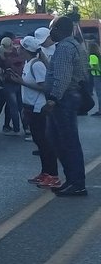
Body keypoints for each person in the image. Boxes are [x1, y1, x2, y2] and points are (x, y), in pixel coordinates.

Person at [43, 17, 90, 197]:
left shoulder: (64, 48)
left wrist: (53, 99)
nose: (50, 32)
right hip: (69, 97)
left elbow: (62, 77)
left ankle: (76, 183)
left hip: (64, 99)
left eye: (52, 28)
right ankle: (73, 180)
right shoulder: (75, 45)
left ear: (60, 29)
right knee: (59, 139)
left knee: (67, 142)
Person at [18, 36, 59, 189]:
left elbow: (44, 87)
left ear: (26, 49)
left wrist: (21, 82)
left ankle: (53, 175)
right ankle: (45, 172)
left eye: (21, 47)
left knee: (44, 142)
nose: (18, 49)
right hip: (30, 106)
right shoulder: (28, 63)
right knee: (39, 142)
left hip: (39, 108)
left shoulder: (37, 65)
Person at [0, 36, 25, 135]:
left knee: (12, 107)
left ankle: (16, 129)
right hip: (20, 82)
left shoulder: (1, 54)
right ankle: (26, 128)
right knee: (21, 106)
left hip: (8, 83)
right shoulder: (17, 51)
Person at [89, 41, 101, 116]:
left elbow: (95, 67)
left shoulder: (92, 56)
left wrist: (87, 68)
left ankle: (100, 111)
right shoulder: (99, 55)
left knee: (99, 94)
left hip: (97, 76)